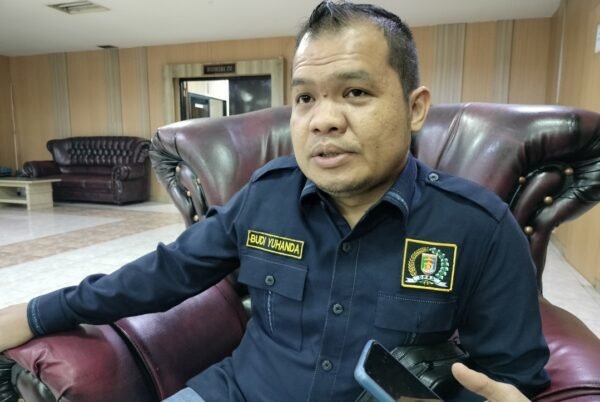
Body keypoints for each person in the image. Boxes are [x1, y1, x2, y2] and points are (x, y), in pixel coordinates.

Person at [0, 1, 550, 401]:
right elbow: (164, 273)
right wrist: (35, 311)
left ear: (415, 108)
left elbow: (511, 376)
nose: (324, 119)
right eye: (305, 97)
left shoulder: (479, 226)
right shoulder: (266, 196)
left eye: (356, 92)